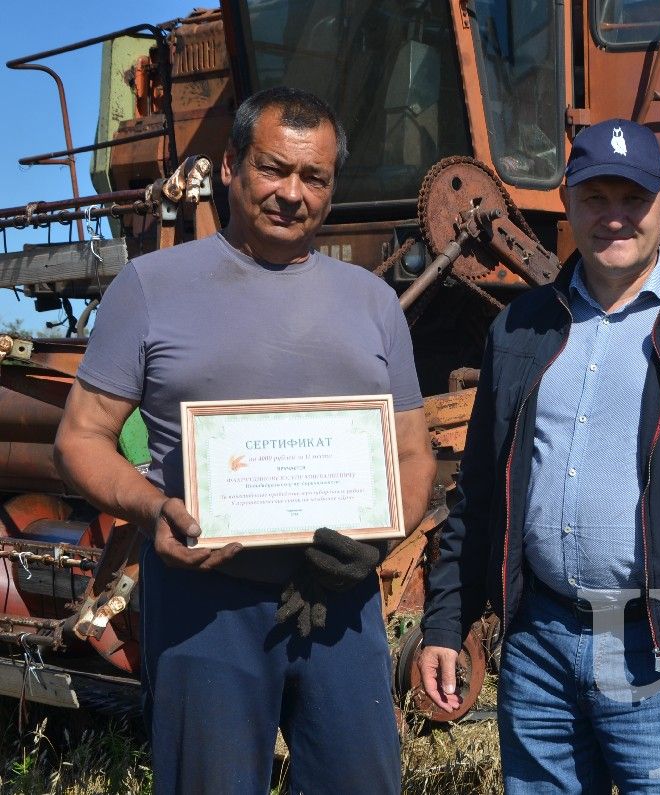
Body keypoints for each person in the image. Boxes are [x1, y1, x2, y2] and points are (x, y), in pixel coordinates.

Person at [54, 86, 435, 794]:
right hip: (207, 605)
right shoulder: (150, 286)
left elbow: (414, 454)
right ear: (230, 166)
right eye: (273, 169)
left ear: (331, 185)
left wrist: (381, 542)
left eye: (313, 177)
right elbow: (79, 437)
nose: (292, 193)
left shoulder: (373, 302)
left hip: (340, 602)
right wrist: (150, 508)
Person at [417, 118, 660, 791]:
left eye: (633, 198)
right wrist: (445, 620)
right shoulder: (521, 326)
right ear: (567, 199)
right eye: (596, 198)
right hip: (540, 646)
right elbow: (479, 492)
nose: (615, 217)